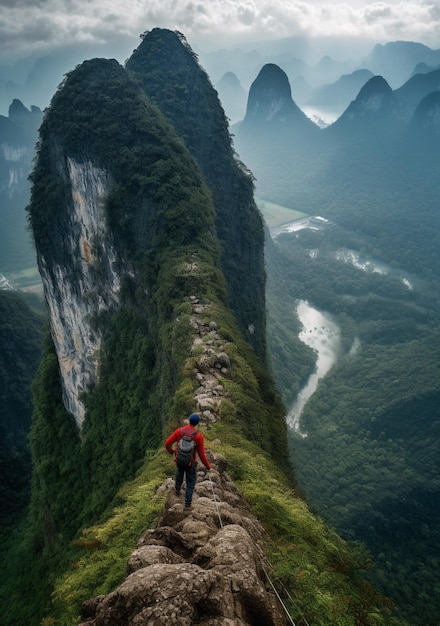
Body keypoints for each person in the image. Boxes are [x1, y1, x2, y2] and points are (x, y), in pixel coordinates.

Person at [165, 413, 211, 508]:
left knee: (179, 472)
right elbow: (202, 454)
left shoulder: (179, 431)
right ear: (197, 423)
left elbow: (167, 443)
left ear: (189, 420)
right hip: (191, 462)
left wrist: (172, 451)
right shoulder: (198, 437)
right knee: (190, 482)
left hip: (180, 459)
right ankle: (187, 505)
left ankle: (177, 489)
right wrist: (207, 466)